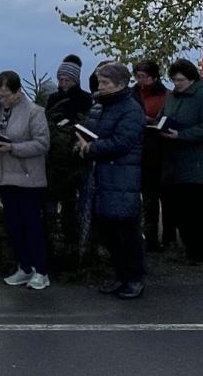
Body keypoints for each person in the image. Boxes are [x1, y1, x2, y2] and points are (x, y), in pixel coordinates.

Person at [78, 63, 147, 299]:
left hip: (122, 177)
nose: (101, 86)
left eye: (106, 83)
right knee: (108, 232)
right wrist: (80, 144)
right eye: (100, 82)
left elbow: (122, 142)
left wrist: (93, 148)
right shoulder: (98, 106)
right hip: (99, 178)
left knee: (127, 231)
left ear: (120, 84)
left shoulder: (131, 109)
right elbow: (88, 131)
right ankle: (120, 275)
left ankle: (135, 278)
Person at [0, 70, 51, 289]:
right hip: (4, 176)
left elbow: (42, 144)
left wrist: (14, 147)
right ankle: (24, 268)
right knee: (14, 226)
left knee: (32, 225)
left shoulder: (34, 112)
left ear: (18, 91)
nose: (2, 100)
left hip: (27, 177)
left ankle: (41, 271)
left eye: (5, 95)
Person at [158, 59, 203, 264]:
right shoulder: (172, 98)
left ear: (191, 79)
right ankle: (192, 250)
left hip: (202, 165)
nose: (177, 83)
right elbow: (164, 116)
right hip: (178, 163)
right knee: (184, 210)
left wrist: (182, 135)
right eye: (174, 80)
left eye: (181, 80)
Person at [43, 55, 91, 267]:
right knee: (51, 202)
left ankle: (73, 244)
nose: (63, 84)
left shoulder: (85, 99)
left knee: (71, 204)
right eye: (60, 79)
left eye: (67, 80)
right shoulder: (53, 99)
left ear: (75, 80)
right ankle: (52, 242)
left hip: (73, 156)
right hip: (54, 157)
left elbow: (85, 122)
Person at [133, 61, 170, 249]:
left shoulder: (164, 95)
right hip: (138, 146)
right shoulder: (132, 94)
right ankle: (143, 235)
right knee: (142, 194)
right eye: (138, 76)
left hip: (157, 147)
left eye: (145, 77)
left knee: (155, 194)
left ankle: (158, 236)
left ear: (154, 77)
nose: (141, 81)